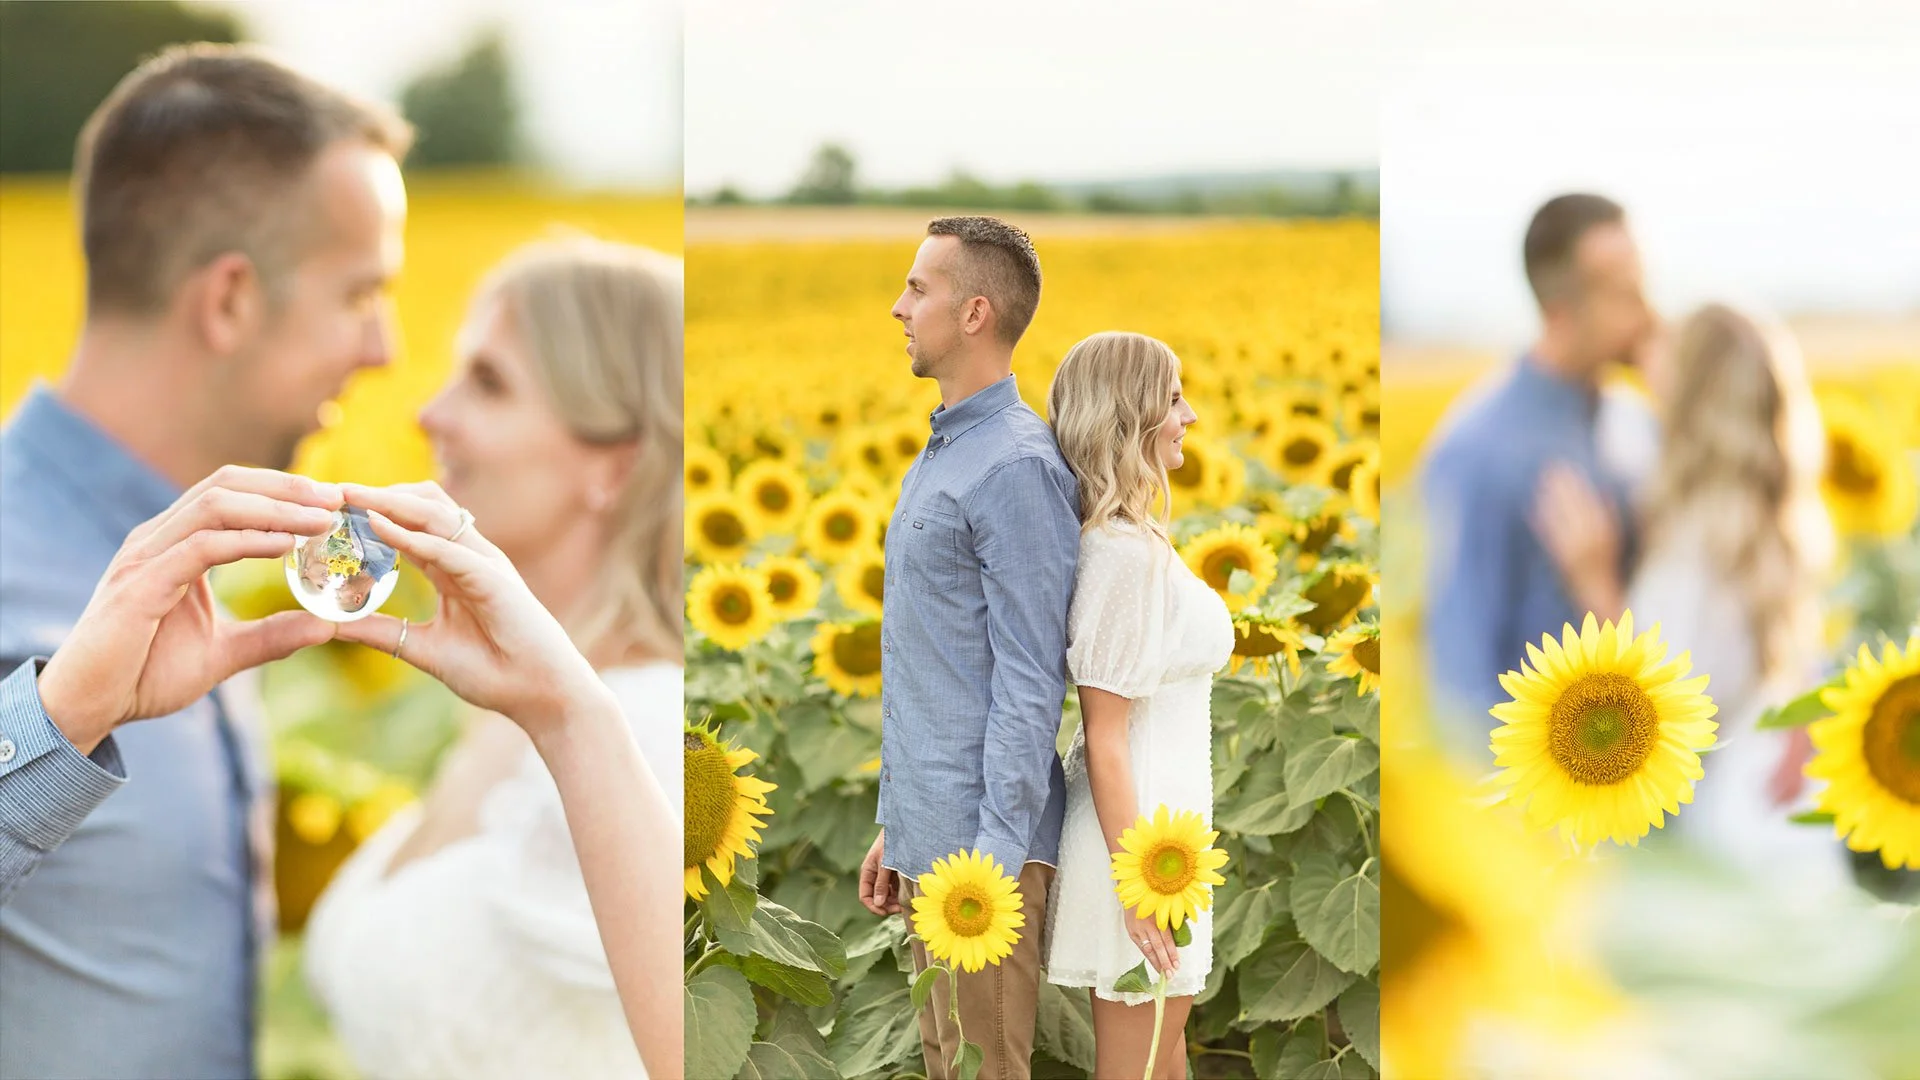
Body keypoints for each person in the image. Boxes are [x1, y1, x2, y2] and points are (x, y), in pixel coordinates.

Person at [0, 44, 411, 1079]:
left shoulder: (195, 554)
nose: (385, 350)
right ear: (229, 299)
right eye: (362, 292)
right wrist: (57, 722)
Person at [302, 237, 684, 1079]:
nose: (428, 414)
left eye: (488, 381)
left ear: (615, 465)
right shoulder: (510, 702)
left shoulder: (648, 734)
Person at [857, 216, 1080, 1080]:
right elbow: (934, 663)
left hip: (982, 854)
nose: (897, 306)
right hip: (933, 832)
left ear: (976, 312)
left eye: (918, 288)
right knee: (948, 1067)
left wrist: (986, 857)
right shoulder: (950, 447)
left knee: (987, 1070)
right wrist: (898, 826)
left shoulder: (1015, 466)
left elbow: (1031, 682)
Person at [1532, 303, 1846, 893]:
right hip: (1791, 816)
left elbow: (1655, 706)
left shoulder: (1697, 547)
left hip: (1740, 839)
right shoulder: (1772, 514)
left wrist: (1593, 583)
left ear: (1693, 394)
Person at [1042, 333, 1233, 1079]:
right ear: (1132, 416)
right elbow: (1105, 737)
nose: (1190, 414)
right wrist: (1140, 886)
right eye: (1174, 398)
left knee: (1164, 1062)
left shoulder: (1134, 538)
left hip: (1161, 838)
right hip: (1141, 842)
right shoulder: (1121, 556)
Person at [1418, 193, 1656, 752]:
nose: (1648, 312)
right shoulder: (1479, 451)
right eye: (1625, 293)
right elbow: (1460, 679)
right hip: (1540, 796)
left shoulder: (1638, 421)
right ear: (1560, 310)